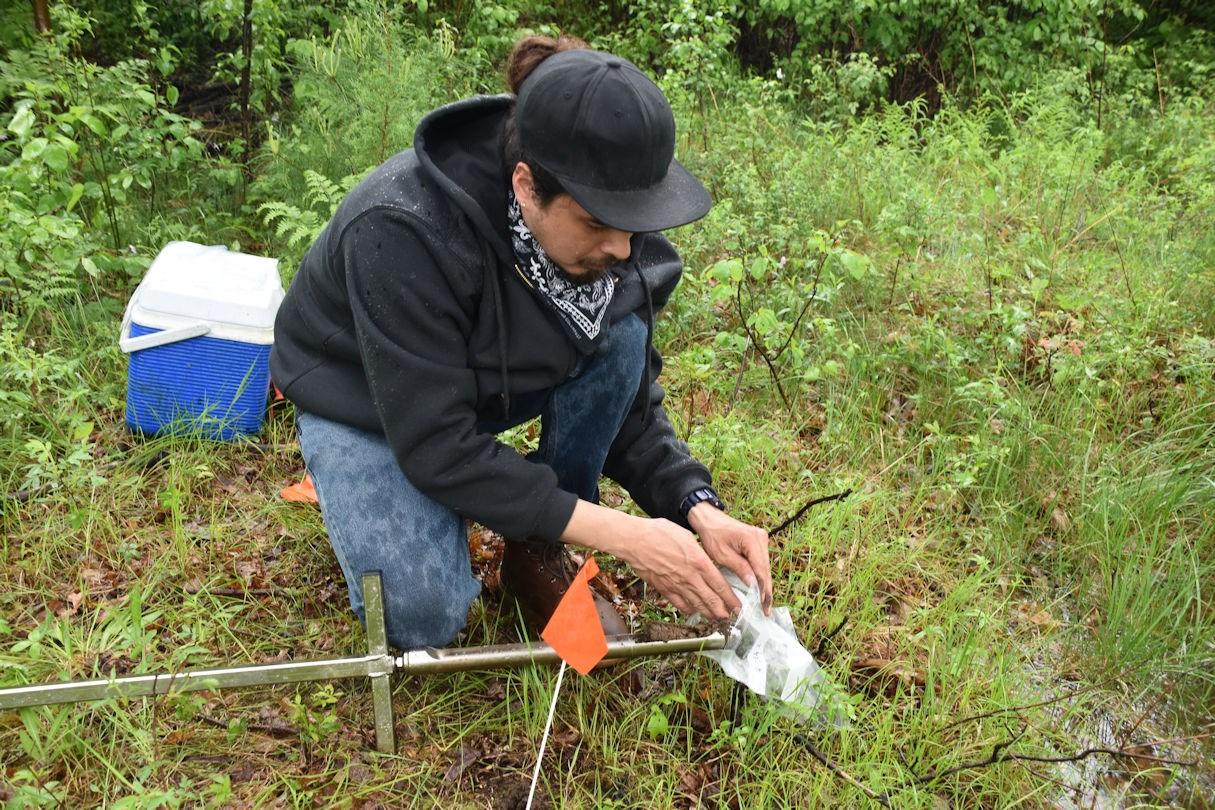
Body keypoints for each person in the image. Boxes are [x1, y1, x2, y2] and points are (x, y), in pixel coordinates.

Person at [270, 34, 772, 652]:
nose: (623, 250)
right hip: (364, 398)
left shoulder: (615, 243)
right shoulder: (402, 231)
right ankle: (386, 491)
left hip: (480, 386)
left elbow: (630, 408)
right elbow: (438, 444)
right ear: (527, 185)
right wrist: (625, 535)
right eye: (597, 223)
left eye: (634, 224)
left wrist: (697, 506)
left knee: (621, 333)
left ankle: (535, 547)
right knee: (424, 618)